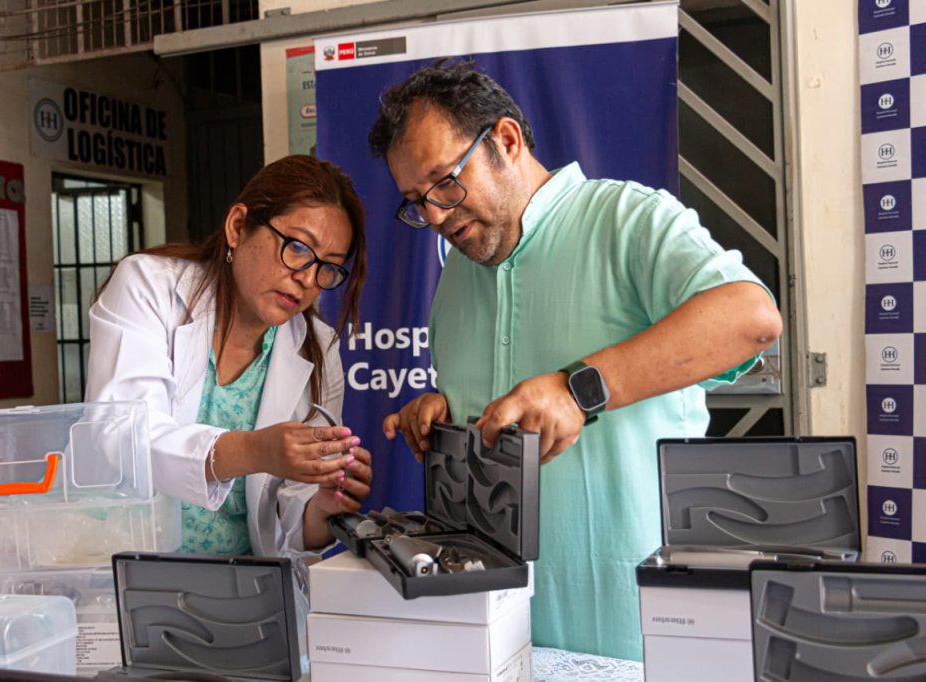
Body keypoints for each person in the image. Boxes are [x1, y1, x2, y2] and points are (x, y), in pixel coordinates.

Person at [371, 61, 782, 660]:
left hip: (636, 632)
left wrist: (579, 389)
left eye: (444, 183)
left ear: (506, 141)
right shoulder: (455, 273)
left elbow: (749, 317)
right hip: (497, 633)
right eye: (416, 202)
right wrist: (445, 412)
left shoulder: (628, 218)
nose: (434, 215)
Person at [86, 155, 373, 559]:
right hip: (120, 563)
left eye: (328, 268)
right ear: (238, 226)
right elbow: (125, 438)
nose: (308, 279)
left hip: (240, 583)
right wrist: (254, 451)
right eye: (297, 248)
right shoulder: (146, 285)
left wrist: (324, 508)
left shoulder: (318, 346)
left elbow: (291, 527)